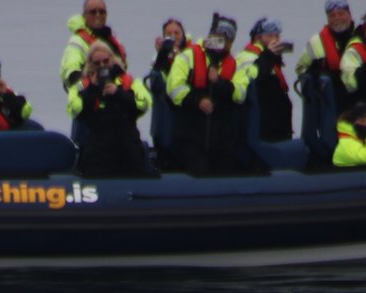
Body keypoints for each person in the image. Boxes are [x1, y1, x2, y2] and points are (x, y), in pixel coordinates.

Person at [166, 15, 250, 174]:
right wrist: (197, 100)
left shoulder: (236, 66)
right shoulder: (188, 56)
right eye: (217, 37)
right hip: (192, 135)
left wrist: (218, 83)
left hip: (222, 138)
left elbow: (240, 93)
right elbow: (174, 87)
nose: (220, 42)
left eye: (226, 39)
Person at [69, 40, 155, 177]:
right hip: (98, 149)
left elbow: (143, 104)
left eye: (105, 61)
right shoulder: (82, 86)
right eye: (97, 63)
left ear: (112, 60)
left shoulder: (129, 82)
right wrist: (93, 88)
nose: (102, 66)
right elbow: (75, 109)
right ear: (90, 65)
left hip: (127, 146)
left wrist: (118, 93)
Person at [240, 18, 294, 142]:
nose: (275, 40)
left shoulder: (270, 58)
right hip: (262, 126)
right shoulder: (248, 56)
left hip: (276, 125)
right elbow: (254, 79)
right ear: (258, 37)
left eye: (277, 36)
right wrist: (269, 55)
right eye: (270, 35)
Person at [60, 0, 128, 91]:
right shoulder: (77, 42)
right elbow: (71, 78)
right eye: (93, 12)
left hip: (115, 96)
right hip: (89, 97)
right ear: (84, 16)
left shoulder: (115, 43)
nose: (98, 15)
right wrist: (91, 81)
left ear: (106, 14)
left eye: (101, 12)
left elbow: (124, 73)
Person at [299, 0, 358, 87]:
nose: (337, 18)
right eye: (332, 16)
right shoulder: (315, 42)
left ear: (349, 14)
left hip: (358, 95)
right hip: (328, 96)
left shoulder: (364, 39)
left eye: (341, 14)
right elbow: (301, 70)